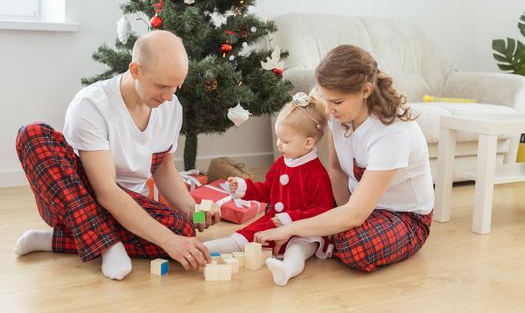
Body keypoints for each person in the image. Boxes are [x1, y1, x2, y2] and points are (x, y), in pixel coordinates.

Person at [14, 30, 220, 280]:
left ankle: (54, 241)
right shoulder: (91, 104)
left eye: (176, 87)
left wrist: (195, 212)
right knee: (32, 134)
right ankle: (107, 245)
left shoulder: (170, 107)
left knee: (183, 231)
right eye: (162, 86)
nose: (169, 96)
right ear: (135, 70)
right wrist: (168, 241)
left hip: (132, 204)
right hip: (76, 202)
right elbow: (106, 191)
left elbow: (164, 170)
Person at [255, 45, 434, 273]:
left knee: (354, 246)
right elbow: (336, 168)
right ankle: (324, 235)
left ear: (365, 91)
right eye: (325, 99)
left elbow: (356, 214)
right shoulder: (340, 116)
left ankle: (324, 236)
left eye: (337, 102)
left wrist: (293, 229)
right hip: (356, 202)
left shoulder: (392, 134)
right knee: (306, 208)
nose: (328, 110)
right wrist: (340, 213)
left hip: (404, 217)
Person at [203, 92, 335, 286]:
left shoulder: (317, 174)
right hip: (272, 222)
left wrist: (291, 219)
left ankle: (286, 270)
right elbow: (267, 191)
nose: (278, 144)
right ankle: (202, 248)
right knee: (242, 237)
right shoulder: (281, 163)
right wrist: (243, 187)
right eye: (278, 138)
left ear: (308, 143)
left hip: (305, 231)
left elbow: (323, 211)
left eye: (285, 141)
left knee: (299, 249)